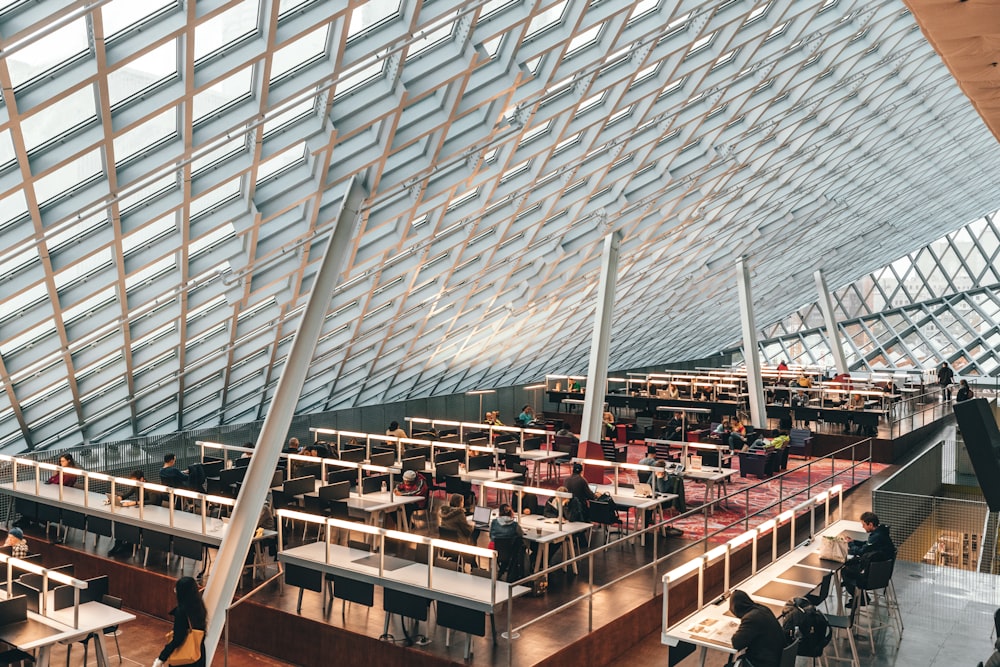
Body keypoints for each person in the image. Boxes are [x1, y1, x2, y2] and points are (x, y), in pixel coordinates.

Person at [842, 511, 896, 604]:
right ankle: (852, 589)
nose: (863, 527)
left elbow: (862, 551)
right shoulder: (881, 533)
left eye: (863, 524)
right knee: (851, 567)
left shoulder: (877, 536)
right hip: (883, 572)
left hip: (873, 576)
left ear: (870, 524)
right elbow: (868, 545)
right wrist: (854, 541)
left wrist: (850, 544)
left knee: (846, 570)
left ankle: (861, 599)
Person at [153, 576, 207, 667]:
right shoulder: (199, 606)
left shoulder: (181, 612)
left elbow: (178, 638)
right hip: (198, 654)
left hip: (184, 660)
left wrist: (162, 657)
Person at [729, 589, 786, 667]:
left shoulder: (750, 618)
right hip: (777, 657)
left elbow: (736, 643)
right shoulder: (762, 609)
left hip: (764, 662)